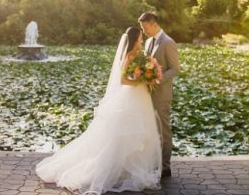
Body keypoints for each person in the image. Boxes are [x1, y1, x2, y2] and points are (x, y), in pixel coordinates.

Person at [35, 26, 162, 195]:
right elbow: (124, 80)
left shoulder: (141, 55)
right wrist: (141, 81)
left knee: (139, 134)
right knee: (123, 135)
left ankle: (130, 170)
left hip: (141, 98)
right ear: (134, 39)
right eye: (139, 37)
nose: (141, 39)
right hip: (131, 97)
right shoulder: (130, 56)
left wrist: (149, 76)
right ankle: (108, 170)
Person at [138, 11, 181, 178]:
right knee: (151, 130)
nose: (143, 31)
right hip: (147, 95)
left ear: (154, 24)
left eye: (145, 27)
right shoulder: (148, 41)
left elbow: (175, 69)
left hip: (162, 94)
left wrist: (157, 80)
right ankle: (153, 163)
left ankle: (165, 167)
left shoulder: (168, 42)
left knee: (164, 131)